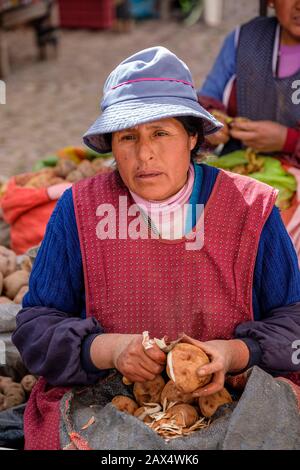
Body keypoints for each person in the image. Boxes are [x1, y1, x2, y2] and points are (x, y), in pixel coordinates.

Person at [12, 46, 300, 450]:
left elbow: (295, 320)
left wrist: (236, 353)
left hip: (229, 401)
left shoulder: (251, 209)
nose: (144, 154)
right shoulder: (79, 211)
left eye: (161, 133)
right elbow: (35, 329)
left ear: (193, 136)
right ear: (111, 145)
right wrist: (109, 350)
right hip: (111, 403)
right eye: (128, 137)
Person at [198, 0, 300, 161]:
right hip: (240, 171)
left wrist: (289, 141)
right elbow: (204, 105)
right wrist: (210, 126)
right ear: (270, 2)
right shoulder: (243, 40)